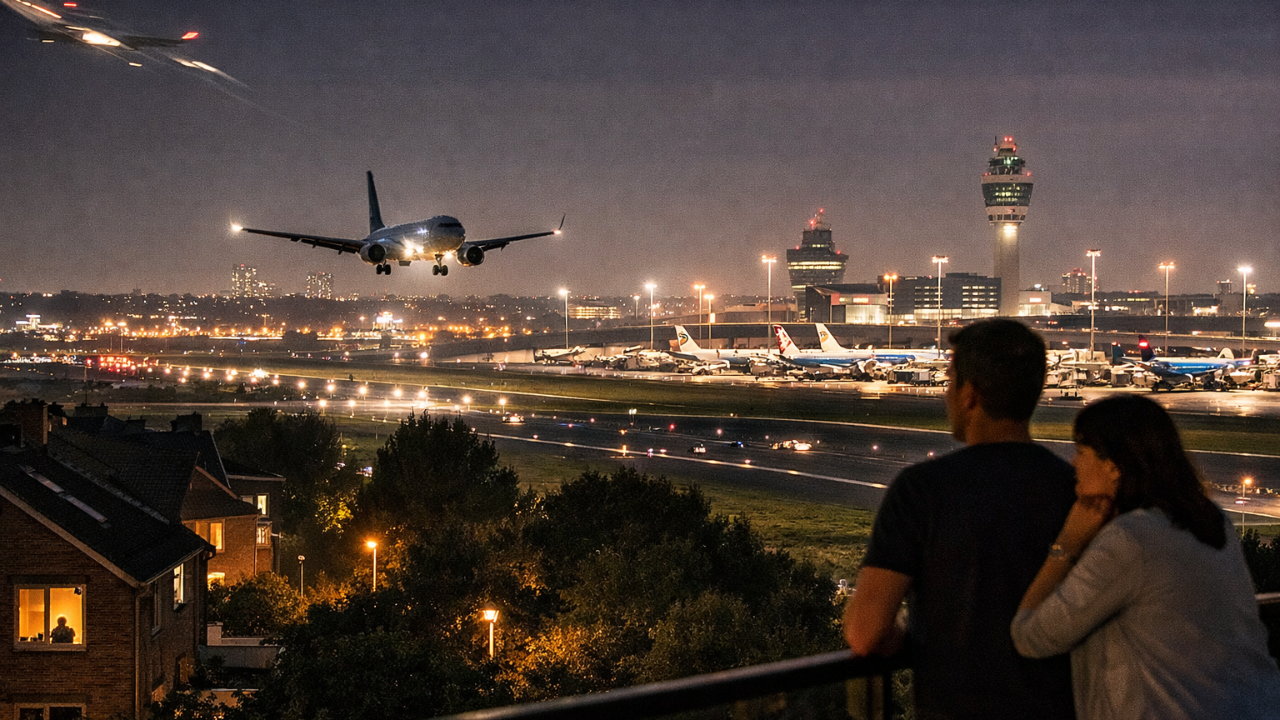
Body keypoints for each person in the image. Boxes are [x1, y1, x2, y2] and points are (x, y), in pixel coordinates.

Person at [844, 319, 1077, 720]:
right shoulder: (1078, 492)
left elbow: (866, 632)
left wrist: (914, 638)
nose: (945, 394)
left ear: (969, 395)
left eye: (949, 381)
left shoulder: (922, 490)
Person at [1012, 395, 1280, 719]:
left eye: (1081, 452)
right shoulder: (1211, 520)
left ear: (1112, 467)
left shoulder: (1131, 540)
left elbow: (1032, 636)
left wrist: (1066, 545)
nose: (1073, 464)